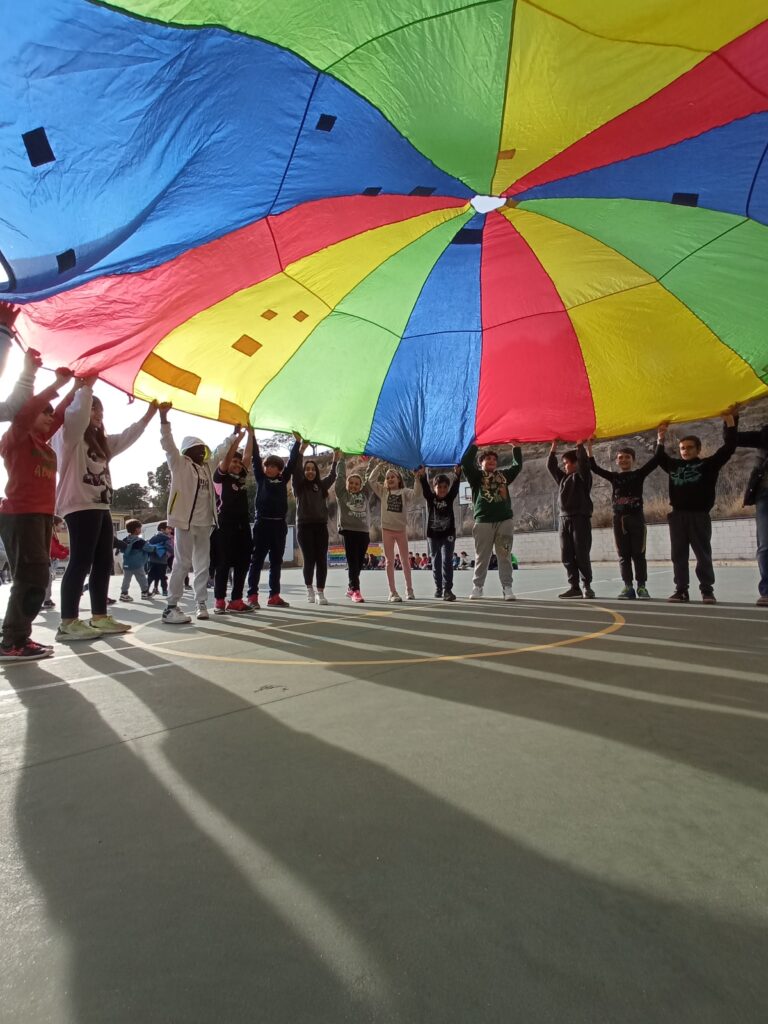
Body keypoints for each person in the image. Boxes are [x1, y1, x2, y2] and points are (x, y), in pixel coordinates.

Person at [53, 378, 157, 640]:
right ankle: (68, 622)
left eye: (101, 410)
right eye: (93, 408)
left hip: (100, 505)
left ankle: (99, 617)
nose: (98, 414)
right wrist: (86, 388)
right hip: (79, 505)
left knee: (104, 561)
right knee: (81, 560)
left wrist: (149, 414)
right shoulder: (68, 436)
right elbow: (75, 417)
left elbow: (127, 437)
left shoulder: (100, 443)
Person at [0, 360, 75, 659]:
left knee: (36, 576)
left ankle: (17, 637)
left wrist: (78, 387)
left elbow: (60, 416)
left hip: (40, 515)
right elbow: (27, 412)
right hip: (21, 515)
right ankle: (12, 641)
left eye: (49, 413)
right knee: (31, 577)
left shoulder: (43, 443)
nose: (48, 417)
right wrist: (56, 385)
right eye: (43, 412)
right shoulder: (16, 437)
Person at [159, 403, 233, 623]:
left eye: (203, 448)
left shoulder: (207, 466)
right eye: (197, 448)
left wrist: (234, 434)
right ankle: (171, 606)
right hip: (185, 523)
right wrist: (164, 419)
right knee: (182, 563)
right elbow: (168, 445)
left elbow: (221, 450)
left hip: (205, 523)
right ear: (187, 451)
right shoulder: (179, 463)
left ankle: (201, 603)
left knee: (203, 565)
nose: (202, 451)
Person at [657, 415, 736, 604]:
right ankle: (681, 590)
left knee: (702, 554)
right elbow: (659, 457)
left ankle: (707, 590)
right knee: (678, 555)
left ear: (698, 449)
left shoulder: (708, 465)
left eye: (690, 447)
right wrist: (660, 438)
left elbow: (729, 448)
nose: (686, 451)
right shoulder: (674, 465)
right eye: (682, 448)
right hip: (678, 516)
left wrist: (731, 424)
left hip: (699, 516)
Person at [587, 435, 663, 600]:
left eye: (627, 457)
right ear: (616, 461)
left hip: (636, 519)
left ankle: (641, 587)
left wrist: (660, 439)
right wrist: (590, 447)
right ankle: (628, 587)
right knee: (623, 555)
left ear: (633, 460)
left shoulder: (639, 474)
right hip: (619, 521)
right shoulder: (614, 477)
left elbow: (656, 459)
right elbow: (594, 467)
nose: (624, 460)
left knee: (639, 554)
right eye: (620, 458)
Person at [461, 444, 522, 600]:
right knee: (482, 557)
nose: (492, 461)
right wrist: (475, 446)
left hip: (504, 521)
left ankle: (507, 588)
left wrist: (516, 448)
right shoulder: (476, 477)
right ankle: (477, 587)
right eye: (488, 459)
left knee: (504, 555)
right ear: (480, 462)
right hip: (483, 522)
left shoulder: (503, 476)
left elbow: (517, 466)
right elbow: (466, 463)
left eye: (494, 459)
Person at [247, 432, 300, 608]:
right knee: (257, 561)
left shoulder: (283, 479)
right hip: (262, 524)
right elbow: (255, 457)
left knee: (276, 562)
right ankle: (252, 596)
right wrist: (252, 436)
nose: (269, 468)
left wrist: (297, 443)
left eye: (273, 466)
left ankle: (274, 596)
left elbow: (292, 462)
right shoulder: (261, 478)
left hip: (279, 525)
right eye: (267, 466)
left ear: (279, 469)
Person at [213, 426, 254, 614]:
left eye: (239, 462)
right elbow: (227, 458)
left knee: (243, 563)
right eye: (234, 462)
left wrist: (251, 434)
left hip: (242, 526)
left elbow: (248, 456)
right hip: (225, 525)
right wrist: (236, 440)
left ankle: (236, 599)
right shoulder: (220, 477)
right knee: (223, 563)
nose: (237, 464)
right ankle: (219, 600)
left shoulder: (241, 476)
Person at [547, 441, 594, 598]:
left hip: (580, 518)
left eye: (566, 463)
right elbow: (551, 466)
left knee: (582, 553)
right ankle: (574, 587)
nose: (564, 466)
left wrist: (580, 445)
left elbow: (584, 463)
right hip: (563, 519)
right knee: (566, 554)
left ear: (575, 463)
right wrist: (554, 446)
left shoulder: (583, 477)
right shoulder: (563, 479)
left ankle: (587, 586)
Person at [293, 443, 338, 605]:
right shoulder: (299, 486)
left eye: (313, 469)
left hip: (320, 527)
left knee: (321, 560)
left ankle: (320, 592)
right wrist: (301, 451)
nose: (310, 471)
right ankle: (309, 589)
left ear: (316, 472)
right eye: (307, 469)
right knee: (309, 559)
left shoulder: (321, 485)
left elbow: (332, 475)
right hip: (304, 527)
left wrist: (335, 459)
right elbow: (296, 470)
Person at [730, 417, 768, 606]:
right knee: (766, 544)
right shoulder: (765, 434)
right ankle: (767, 591)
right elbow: (732, 439)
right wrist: (731, 419)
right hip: (765, 493)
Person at [368, 461, 417, 602]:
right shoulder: (383, 492)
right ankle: (392, 592)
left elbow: (416, 495)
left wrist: (417, 479)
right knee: (389, 561)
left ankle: (409, 589)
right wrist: (379, 467)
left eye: (392, 477)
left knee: (405, 561)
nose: (390, 479)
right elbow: (371, 480)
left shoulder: (404, 492)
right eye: (387, 477)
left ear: (399, 479)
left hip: (401, 530)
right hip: (387, 530)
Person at [417, 465, 461, 601]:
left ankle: (447, 589)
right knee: (436, 562)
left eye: (445, 487)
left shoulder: (449, 497)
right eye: (439, 487)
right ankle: (438, 587)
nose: (442, 490)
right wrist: (422, 475)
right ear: (434, 487)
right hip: (433, 535)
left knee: (447, 560)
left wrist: (458, 475)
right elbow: (425, 488)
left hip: (448, 534)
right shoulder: (431, 499)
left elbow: (455, 488)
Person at [335, 456, 372, 603]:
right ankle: (356, 590)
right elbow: (340, 477)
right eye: (351, 483)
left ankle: (351, 587)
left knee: (359, 562)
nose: (354, 485)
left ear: (361, 486)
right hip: (348, 531)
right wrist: (341, 460)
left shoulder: (365, 494)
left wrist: (371, 461)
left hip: (363, 532)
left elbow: (369, 478)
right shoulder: (342, 494)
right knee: (352, 562)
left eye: (357, 484)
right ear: (347, 484)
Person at [116, 519, 156, 601]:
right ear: (137, 529)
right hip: (137, 564)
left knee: (126, 579)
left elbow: (122, 550)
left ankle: (124, 594)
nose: (140, 530)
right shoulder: (140, 541)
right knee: (142, 578)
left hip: (127, 563)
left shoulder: (125, 540)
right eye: (140, 528)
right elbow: (149, 549)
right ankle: (145, 593)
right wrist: (154, 547)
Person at [43, 519, 69, 608]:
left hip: (46, 560)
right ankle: (45, 600)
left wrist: (66, 550)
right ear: (54, 525)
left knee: (47, 579)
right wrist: (65, 553)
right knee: (47, 579)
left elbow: (57, 546)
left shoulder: (52, 535)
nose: (62, 527)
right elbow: (54, 550)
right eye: (61, 524)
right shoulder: (49, 534)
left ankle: (45, 600)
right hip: (44, 560)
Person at [147, 522, 172, 596]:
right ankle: (164, 591)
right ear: (162, 529)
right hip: (162, 561)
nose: (170, 530)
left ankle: (146, 590)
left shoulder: (153, 537)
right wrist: (173, 552)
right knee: (162, 576)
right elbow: (169, 548)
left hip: (152, 560)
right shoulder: (166, 538)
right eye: (168, 528)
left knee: (150, 576)